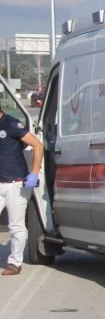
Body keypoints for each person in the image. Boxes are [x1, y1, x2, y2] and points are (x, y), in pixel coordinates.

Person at [0, 105, 44, 276]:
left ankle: (14, 263)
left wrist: (34, 173)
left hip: (16, 184)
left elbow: (37, 145)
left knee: (16, 225)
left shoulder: (11, 124)